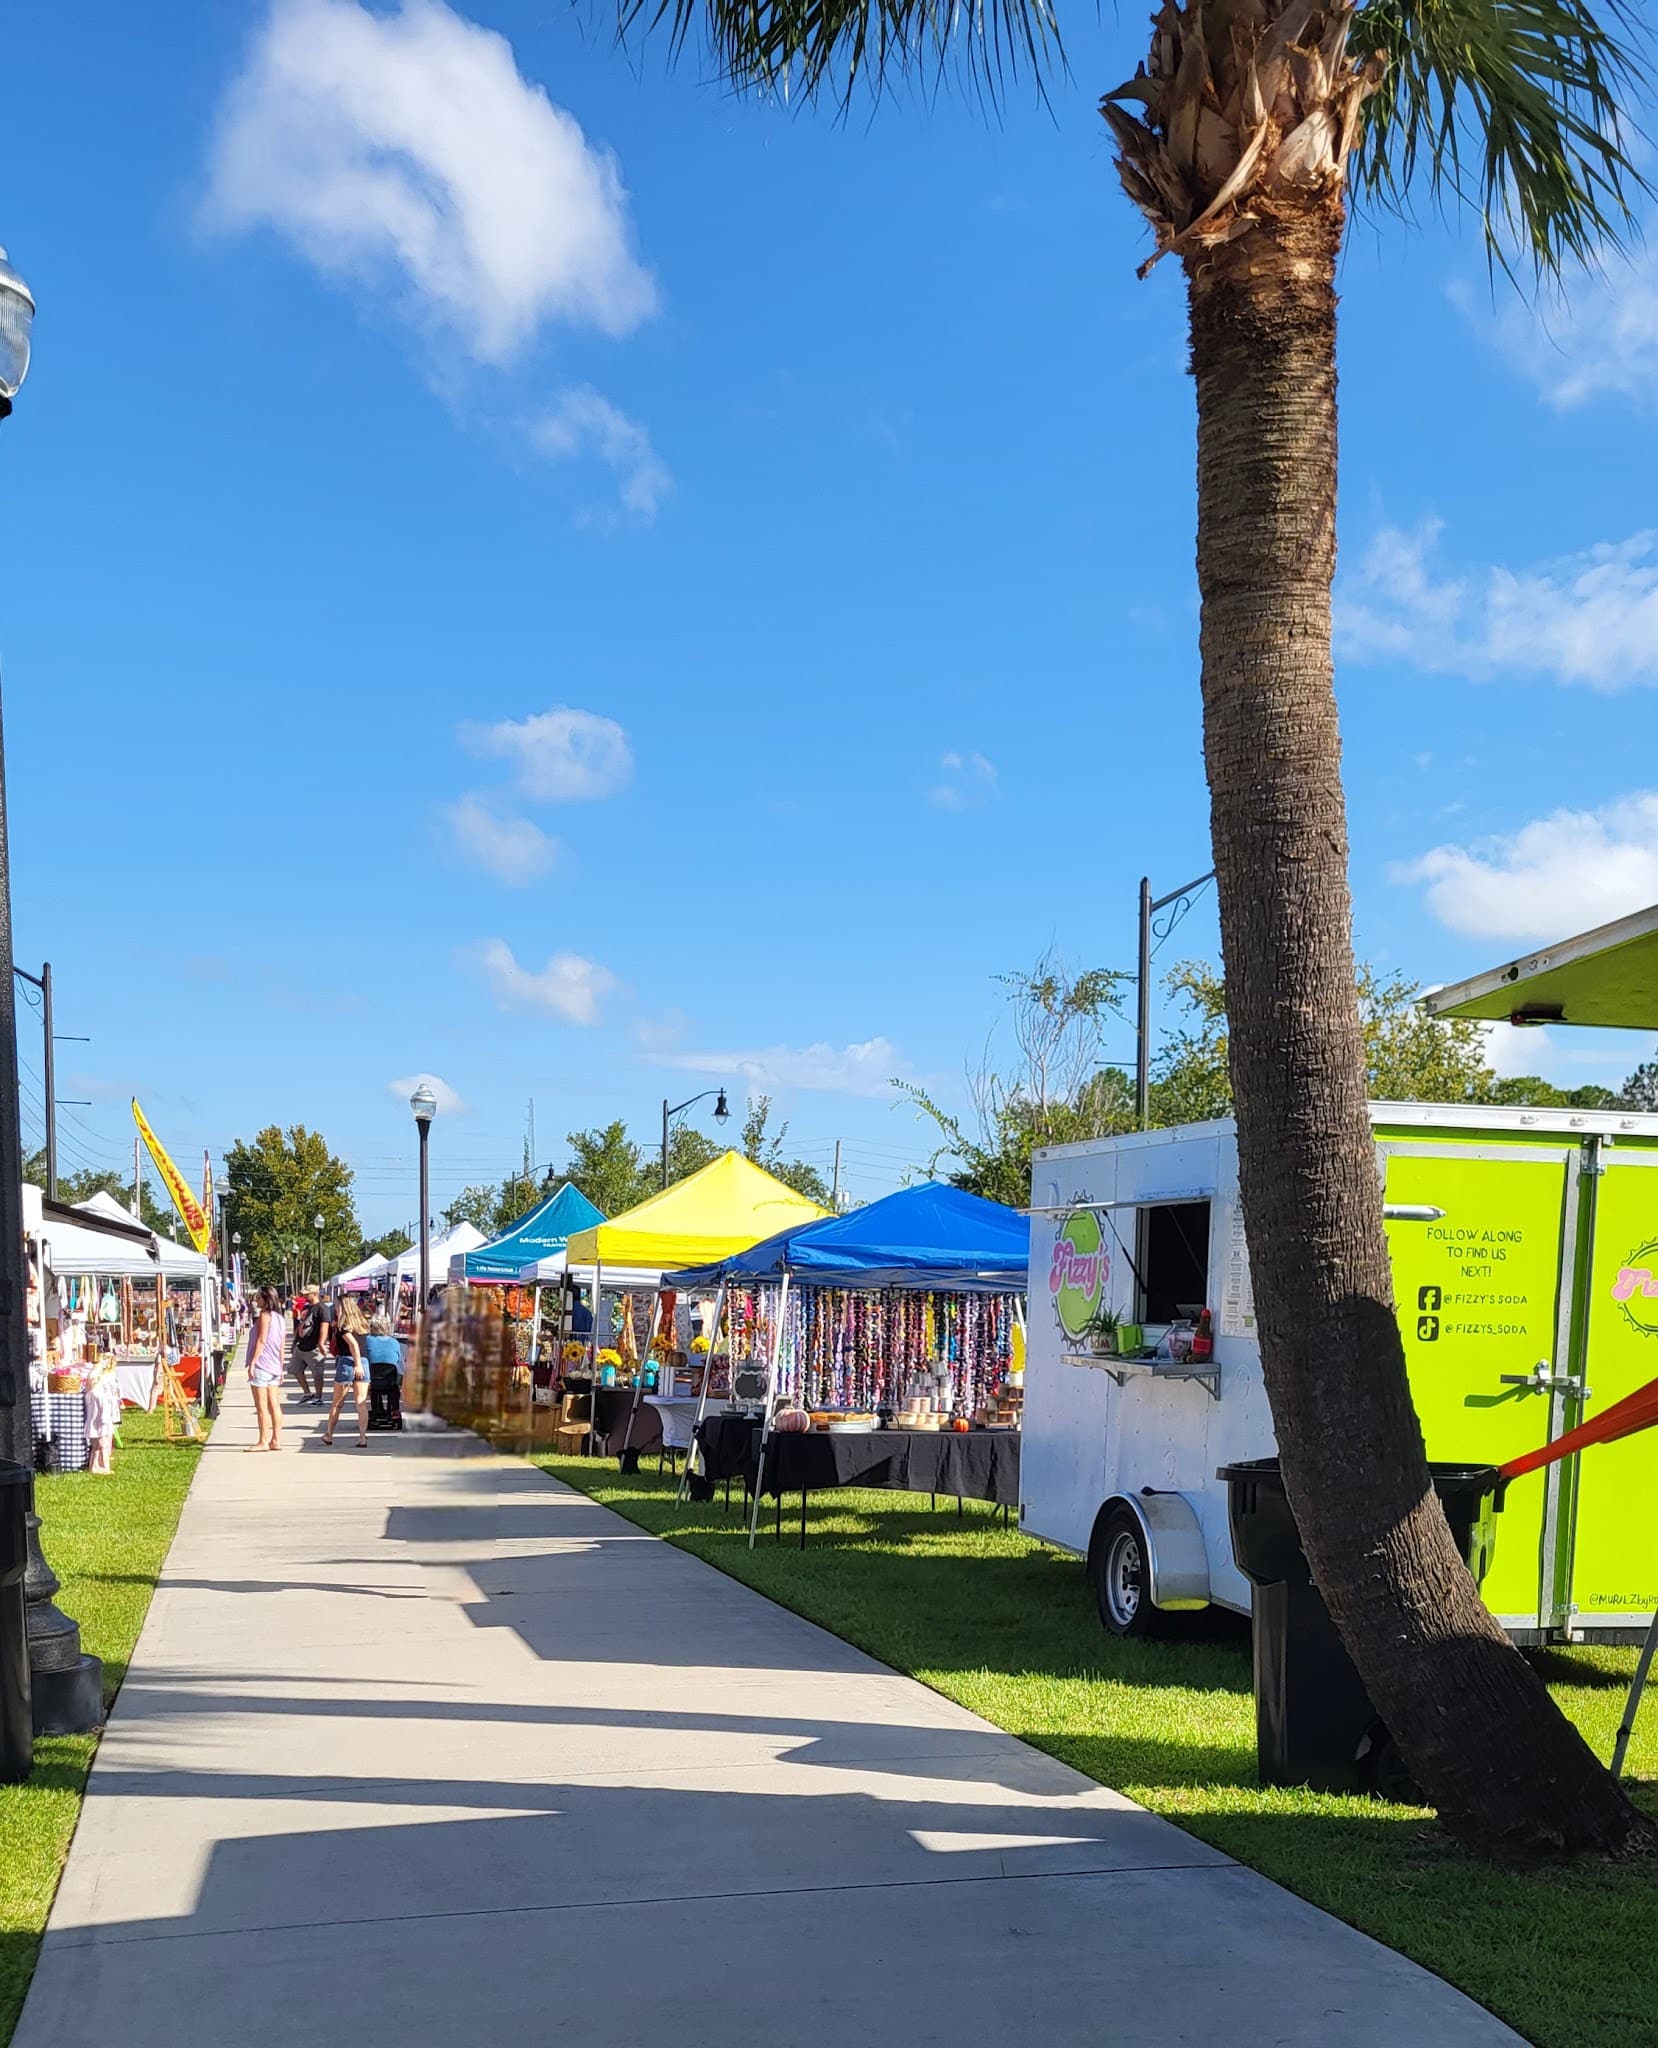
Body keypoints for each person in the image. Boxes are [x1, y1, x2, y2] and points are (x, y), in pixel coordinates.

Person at [323, 1295, 370, 1447]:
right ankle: (362, 1437)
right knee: (361, 1403)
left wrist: (356, 1364)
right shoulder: (362, 1324)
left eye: (337, 1305)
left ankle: (329, 1434)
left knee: (337, 1403)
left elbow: (353, 1344)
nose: (335, 1308)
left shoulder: (344, 1326)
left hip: (348, 1362)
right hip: (364, 1361)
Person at [246, 1284, 285, 1451]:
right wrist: (281, 1367)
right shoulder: (280, 1318)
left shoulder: (265, 1316)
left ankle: (263, 1441)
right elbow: (282, 1345)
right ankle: (275, 1439)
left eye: (259, 1298)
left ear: (267, 1299)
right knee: (274, 1405)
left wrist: (253, 1362)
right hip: (275, 1365)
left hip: (262, 1364)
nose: (256, 1300)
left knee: (261, 1406)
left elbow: (261, 1340)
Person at [291, 1288, 330, 1405]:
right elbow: (301, 1325)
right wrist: (295, 1341)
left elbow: (325, 1327)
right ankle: (307, 1392)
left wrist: (321, 1343)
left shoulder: (323, 1309)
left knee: (317, 1374)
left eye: (307, 1294)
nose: (304, 1296)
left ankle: (318, 1397)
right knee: (295, 1369)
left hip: (314, 1346)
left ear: (314, 1294)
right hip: (301, 1345)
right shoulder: (307, 1308)